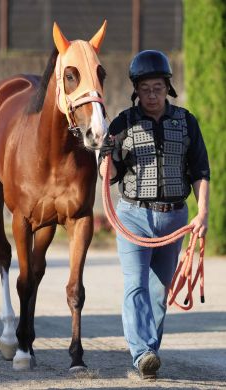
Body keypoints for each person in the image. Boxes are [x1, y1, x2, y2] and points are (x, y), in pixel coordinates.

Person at [99, 50, 210, 380]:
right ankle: (141, 353)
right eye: (145, 88)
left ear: (168, 88)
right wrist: (107, 153)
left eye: (158, 87)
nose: (152, 94)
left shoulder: (187, 121)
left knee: (160, 291)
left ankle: (149, 353)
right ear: (136, 89)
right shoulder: (122, 123)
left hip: (175, 219)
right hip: (133, 216)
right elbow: (114, 175)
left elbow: (201, 171)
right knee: (136, 285)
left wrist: (202, 212)